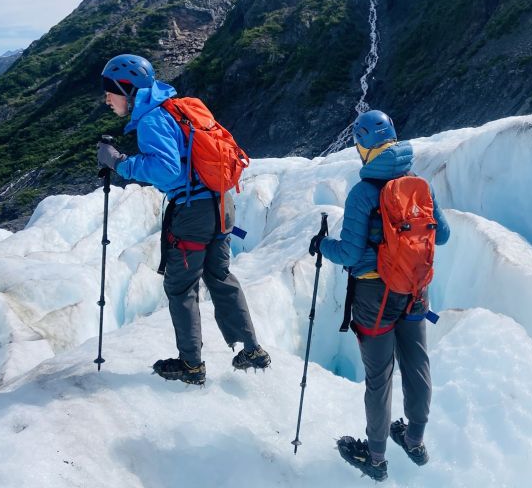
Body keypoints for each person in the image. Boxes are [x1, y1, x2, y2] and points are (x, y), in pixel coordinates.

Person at [97, 53, 270, 385]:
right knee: (219, 276)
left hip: (194, 212)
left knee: (180, 287)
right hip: (222, 202)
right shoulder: (179, 108)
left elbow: (166, 169)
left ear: (127, 88)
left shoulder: (151, 120)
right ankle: (252, 349)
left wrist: (121, 164)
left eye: (110, 91)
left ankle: (191, 365)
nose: (107, 99)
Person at [310, 110, 450, 482]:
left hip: (375, 295)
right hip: (416, 290)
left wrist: (323, 245)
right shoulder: (418, 182)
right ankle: (415, 439)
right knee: (417, 363)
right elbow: (444, 234)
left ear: (362, 145)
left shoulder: (363, 194)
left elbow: (351, 254)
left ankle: (375, 457)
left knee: (379, 377)